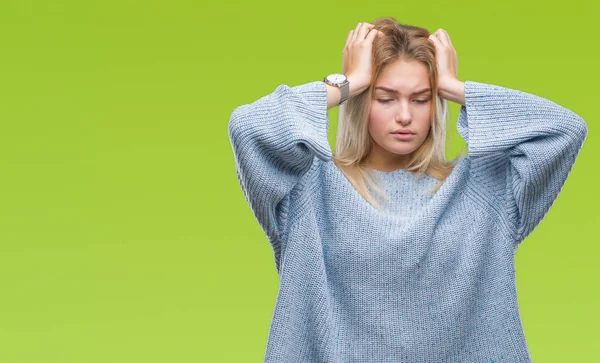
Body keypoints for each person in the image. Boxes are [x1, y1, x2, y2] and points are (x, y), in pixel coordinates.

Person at [227, 17, 588, 363]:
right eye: (385, 98)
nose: (405, 115)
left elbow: (565, 130)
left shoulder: (484, 189)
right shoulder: (307, 186)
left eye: (421, 99)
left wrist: (452, 86)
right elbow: (247, 126)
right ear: (362, 102)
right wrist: (348, 81)